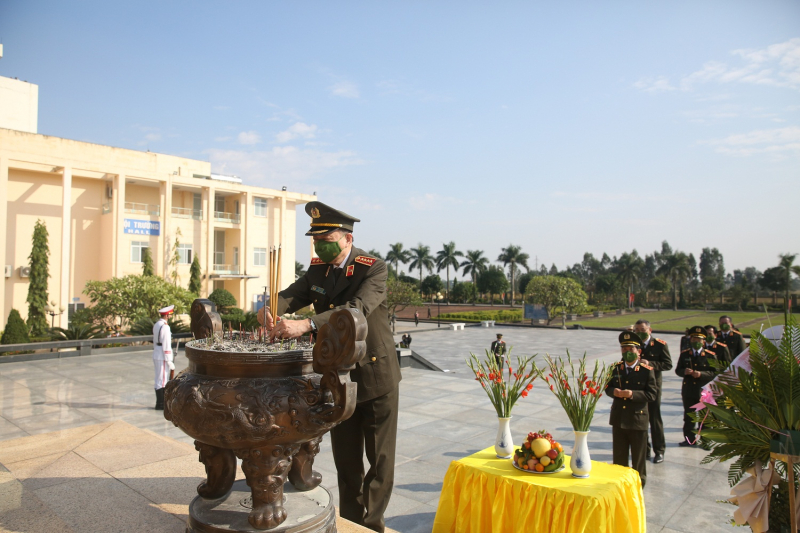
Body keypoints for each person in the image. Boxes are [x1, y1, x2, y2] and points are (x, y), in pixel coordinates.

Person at [257, 201, 400, 533]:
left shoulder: (372, 268)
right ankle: (351, 522)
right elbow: (289, 296)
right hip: (338, 378)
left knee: (379, 462)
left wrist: (306, 325)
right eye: (316, 240)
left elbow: (356, 309)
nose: (321, 246)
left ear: (347, 238)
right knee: (346, 462)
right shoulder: (317, 270)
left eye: (327, 239)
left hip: (375, 377)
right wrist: (268, 309)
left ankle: (372, 525)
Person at [605, 332, 657, 488]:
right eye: (624, 348)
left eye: (631, 349)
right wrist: (614, 392)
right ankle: (619, 485)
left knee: (638, 459)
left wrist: (632, 394)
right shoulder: (616, 368)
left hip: (637, 419)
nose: (627, 352)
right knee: (619, 457)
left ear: (638, 351)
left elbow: (652, 393)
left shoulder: (646, 370)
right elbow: (607, 387)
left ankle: (638, 486)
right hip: (619, 417)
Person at [633, 319, 672, 464]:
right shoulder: (634, 345)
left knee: (655, 420)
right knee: (640, 420)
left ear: (650, 330)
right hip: (637, 387)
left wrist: (650, 363)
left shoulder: (660, 345)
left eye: (642, 330)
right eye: (637, 330)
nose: (639, 333)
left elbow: (667, 364)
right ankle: (645, 450)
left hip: (653, 387)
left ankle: (659, 451)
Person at [675, 326, 718, 446]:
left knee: (705, 418)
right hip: (689, 390)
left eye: (699, 340)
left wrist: (701, 374)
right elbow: (678, 370)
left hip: (704, 391)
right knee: (689, 416)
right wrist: (684, 372)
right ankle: (689, 439)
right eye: (694, 339)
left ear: (703, 341)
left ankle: (706, 441)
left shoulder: (710, 355)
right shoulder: (684, 354)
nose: (696, 342)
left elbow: (715, 372)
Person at [153, 305, 175, 410]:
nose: (170, 317)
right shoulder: (165, 327)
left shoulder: (157, 324)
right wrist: (169, 359)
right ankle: (161, 404)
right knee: (162, 380)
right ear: (166, 315)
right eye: (170, 315)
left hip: (157, 353)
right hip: (162, 355)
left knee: (159, 378)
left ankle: (160, 403)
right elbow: (166, 344)